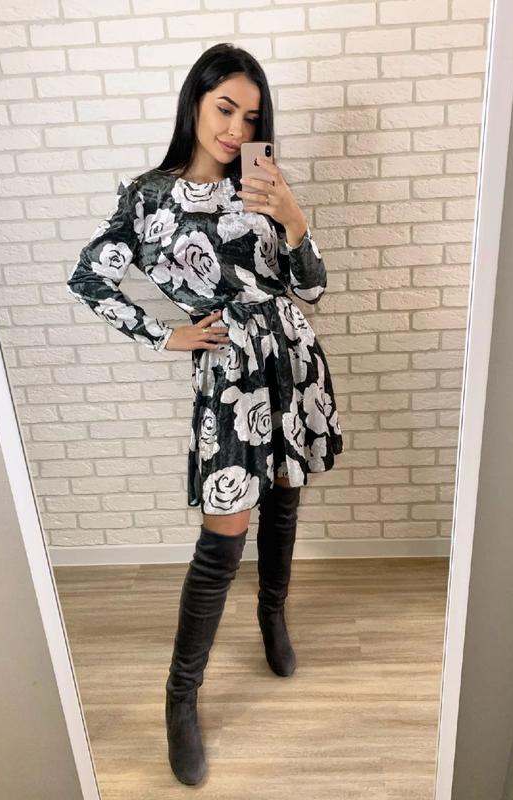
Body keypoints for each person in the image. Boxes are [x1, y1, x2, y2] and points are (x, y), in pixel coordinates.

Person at [66, 42, 343, 786]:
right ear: (195, 101)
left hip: (291, 359)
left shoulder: (265, 188)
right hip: (228, 376)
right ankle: (180, 698)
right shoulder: (148, 197)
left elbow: (311, 291)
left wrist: (294, 219)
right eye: (225, 108)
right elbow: (89, 277)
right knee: (223, 538)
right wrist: (167, 333)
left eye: (250, 117)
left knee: (284, 498)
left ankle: (272, 615)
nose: (235, 129)